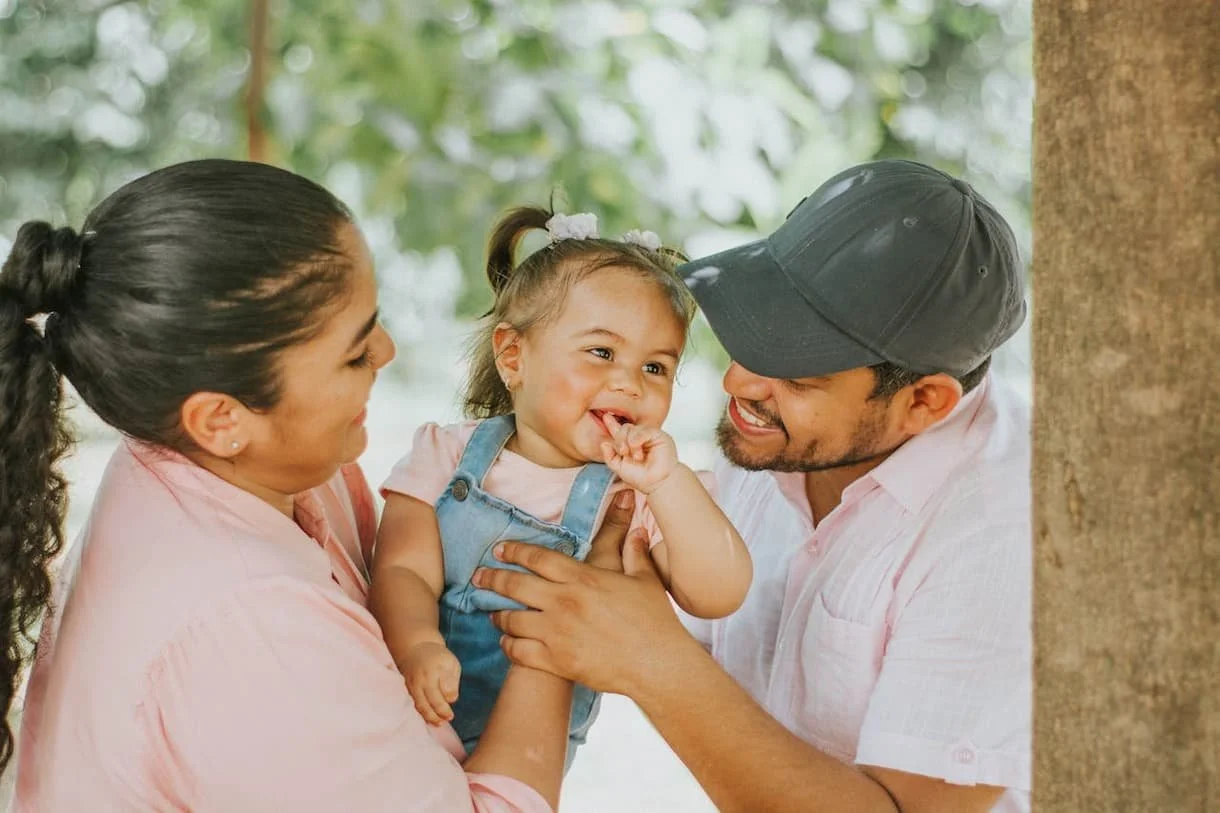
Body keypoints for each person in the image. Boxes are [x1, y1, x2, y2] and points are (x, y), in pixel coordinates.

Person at [5, 159, 595, 811]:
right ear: (221, 417)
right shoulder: (252, 627)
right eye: (353, 351)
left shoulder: (255, 460)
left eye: (374, 319)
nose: (388, 350)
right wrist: (555, 624)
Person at [478, 159, 1032, 813]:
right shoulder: (785, 438)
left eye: (798, 375)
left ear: (924, 402)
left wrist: (653, 659)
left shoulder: (1006, 536)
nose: (738, 384)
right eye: (756, 333)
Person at [370, 207, 751, 762]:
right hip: (410, 711)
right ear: (513, 356)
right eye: (602, 352)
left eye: (656, 367)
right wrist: (417, 644)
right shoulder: (447, 454)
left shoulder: (639, 493)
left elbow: (719, 593)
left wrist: (668, 484)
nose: (628, 382)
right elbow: (401, 567)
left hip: (532, 750)